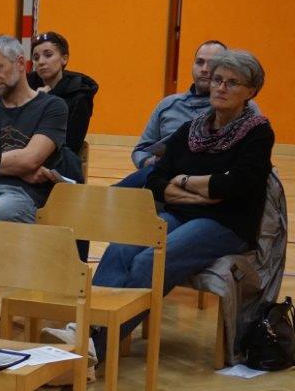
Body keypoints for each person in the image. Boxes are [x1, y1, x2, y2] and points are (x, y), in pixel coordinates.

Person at [47, 50, 273, 359]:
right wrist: (200, 190)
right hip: (183, 213)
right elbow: (156, 178)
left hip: (226, 223)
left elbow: (234, 185)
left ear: (251, 91)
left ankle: (94, 346)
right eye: (218, 80)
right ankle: (84, 326)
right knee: (121, 247)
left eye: (232, 83)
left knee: (149, 262)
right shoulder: (193, 128)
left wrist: (184, 181)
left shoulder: (258, 132)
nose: (221, 87)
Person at [121, 40, 257, 188]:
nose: (204, 69)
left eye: (212, 64)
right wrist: (151, 162)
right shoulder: (168, 105)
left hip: (212, 181)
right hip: (162, 175)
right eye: (199, 62)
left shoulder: (242, 106)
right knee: (115, 195)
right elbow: (141, 150)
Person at [0, 35, 71, 223]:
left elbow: (29, 159)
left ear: (20, 63)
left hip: (21, 196)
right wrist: (16, 167)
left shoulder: (52, 107)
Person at [27, 31, 98, 154]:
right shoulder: (25, 86)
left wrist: (41, 103)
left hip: (57, 159)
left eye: (48, 55)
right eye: (36, 57)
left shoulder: (79, 96)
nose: (41, 62)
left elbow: (71, 146)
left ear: (64, 59)